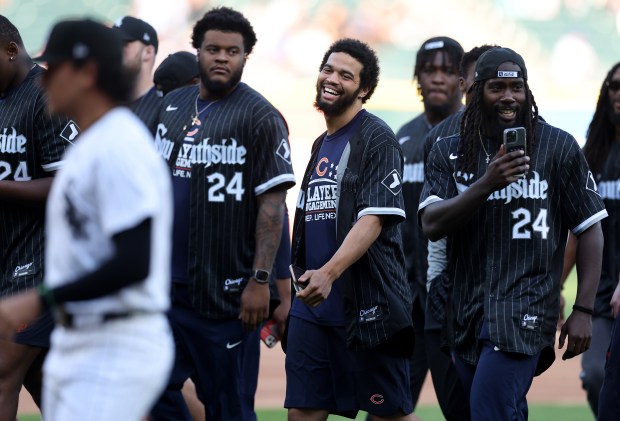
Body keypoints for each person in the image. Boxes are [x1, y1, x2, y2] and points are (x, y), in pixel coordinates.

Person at [419, 47, 607, 420]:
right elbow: (431, 223)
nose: (508, 96)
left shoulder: (558, 146)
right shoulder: (448, 148)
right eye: (497, 87)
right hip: (467, 309)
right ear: (475, 92)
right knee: (491, 411)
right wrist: (486, 183)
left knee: (489, 409)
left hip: (527, 304)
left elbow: (590, 228)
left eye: (516, 87)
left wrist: (583, 308)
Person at [0, 18, 174, 420]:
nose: (43, 81)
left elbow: (135, 259)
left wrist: (39, 297)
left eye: (55, 69)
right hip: (84, 339)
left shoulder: (119, 145)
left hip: (116, 341)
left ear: (87, 74)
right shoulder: (95, 145)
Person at [150, 7, 295, 420]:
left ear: (246, 56)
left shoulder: (260, 116)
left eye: (233, 51)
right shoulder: (172, 106)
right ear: (197, 50)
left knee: (229, 408)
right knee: (149, 391)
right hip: (167, 291)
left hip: (226, 295)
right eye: (213, 48)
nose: (222, 57)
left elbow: (272, 206)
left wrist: (261, 282)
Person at [285, 38, 418, 421]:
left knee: (389, 415)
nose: (332, 79)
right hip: (313, 308)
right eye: (328, 69)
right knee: (303, 413)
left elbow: (373, 219)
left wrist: (328, 273)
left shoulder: (376, 137)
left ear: (364, 90)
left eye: (346, 75)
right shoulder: (319, 144)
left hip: (366, 307)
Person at [0, 15, 73, 419]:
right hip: (7, 257)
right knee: (47, 385)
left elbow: (70, 186)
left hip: (39, 264)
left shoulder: (48, 95)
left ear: (11, 50)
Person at [395, 36, 465, 419]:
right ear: (417, 78)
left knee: (461, 405)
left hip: (454, 300)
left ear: (462, 79)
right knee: (387, 404)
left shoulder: (474, 135)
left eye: (448, 70)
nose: (437, 78)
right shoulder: (399, 139)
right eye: (429, 69)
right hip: (404, 298)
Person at [562, 62, 620, 419]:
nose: (619, 94)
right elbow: (576, 229)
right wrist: (554, 287)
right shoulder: (591, 156)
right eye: (614, 86)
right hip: (599, 297)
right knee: (597, 376)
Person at [113, 15, 161, 134]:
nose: (114, 49)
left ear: (148, 52)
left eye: (124, 44)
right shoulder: (104, 102)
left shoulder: (163, 108)